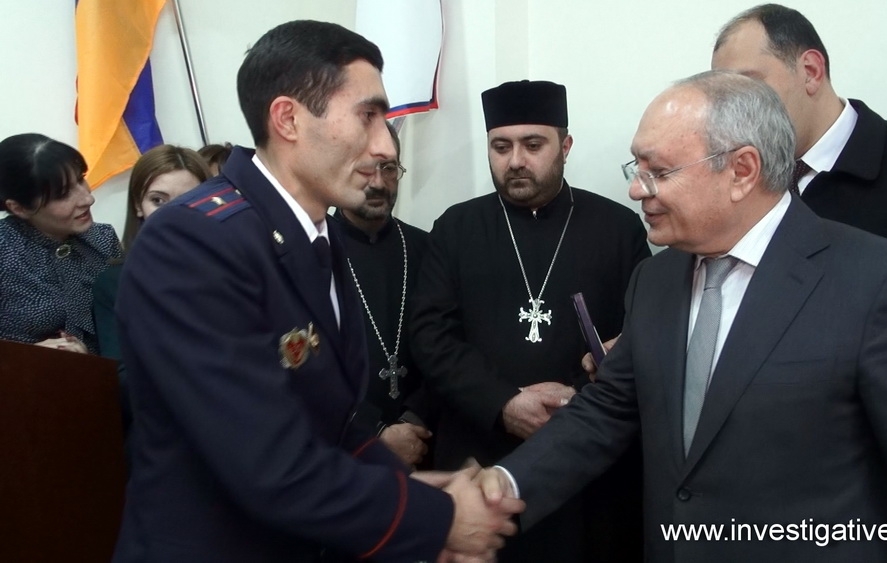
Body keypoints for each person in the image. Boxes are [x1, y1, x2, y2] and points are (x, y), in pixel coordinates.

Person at [478, 70, 887, 562]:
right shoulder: (654, 281)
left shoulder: (883, 284)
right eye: (637, 169)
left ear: (742, 171)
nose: (637, 189)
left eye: (659, 172)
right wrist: (497, 491)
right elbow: (607, 411)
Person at [112, 20, 521, 563]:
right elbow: (268, 464)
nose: (384, 145)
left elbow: (334, 424)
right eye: (368, 116)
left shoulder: (313, 235)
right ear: (288, 119)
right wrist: (441, 520)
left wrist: (415, 493)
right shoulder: (193, 241)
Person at [711, 3, 887, 433]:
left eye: (750, 87)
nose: (736, 115)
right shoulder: (733, 192)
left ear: (811, 71)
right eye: (725, 99)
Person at [411, 79, 650, 561]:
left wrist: (575, 402)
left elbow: (641, 336)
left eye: (533, 145)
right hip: (479, 452)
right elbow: (430, 335)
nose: (515, 160)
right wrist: (502, 401)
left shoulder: (617, 227)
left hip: (584, 459)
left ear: (565, 146)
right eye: (501, 147)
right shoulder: (456, 227)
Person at [332, 122, 435, 467]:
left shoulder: (427, 247)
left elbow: (449, 341)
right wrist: (375, 431)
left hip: (426, 437)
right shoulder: (311, 252)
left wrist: (415, 419)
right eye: (364, 168)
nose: (377, 182)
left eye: (388, 168)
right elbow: (310, 369)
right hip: (346, 448)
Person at [0, 133, 121, 354]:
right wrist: (27, 355)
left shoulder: (103, 239)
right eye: (63, 194)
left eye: (81, 179)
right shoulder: (4, 252)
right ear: (19, 208)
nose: (88, 199)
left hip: (108, 372)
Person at [93, 144, 211, 360]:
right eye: (158, 201)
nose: (172, 214)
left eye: (189, 201)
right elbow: (122, 370)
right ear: (138, 205)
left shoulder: (235, 266)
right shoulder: (115, 284)